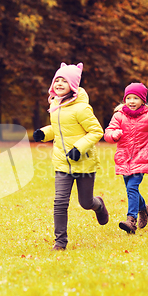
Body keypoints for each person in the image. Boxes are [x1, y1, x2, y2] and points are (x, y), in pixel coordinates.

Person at [33, 62, 108, 251]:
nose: (58, 83)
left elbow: (96, 131)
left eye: (63, 80)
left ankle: (98, 205)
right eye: (56, 79)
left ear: (73, 85)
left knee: (85, 202)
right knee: (60, 202)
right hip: (62, 162)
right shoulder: (55, 105)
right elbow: (60, 130)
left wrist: (78, 148)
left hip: (83, 162)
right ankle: (60, 242)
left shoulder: (82, 108)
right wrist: (44, 133)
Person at [104, 83, 148, 234]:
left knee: (132, 187)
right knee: (130, 188)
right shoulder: (118, 116)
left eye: (136, 98)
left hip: (141, 157)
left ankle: (130, 220)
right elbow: (108, 132)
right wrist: (113, 135)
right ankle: (143, 208)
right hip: (124, 158)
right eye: (128, 98)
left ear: (143, 101)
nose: (132, 101)